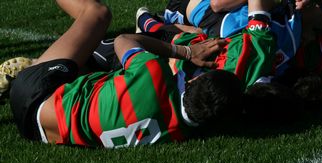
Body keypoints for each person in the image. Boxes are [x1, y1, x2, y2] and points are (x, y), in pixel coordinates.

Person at [9, 0, 243, 148]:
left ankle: (33, 66)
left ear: (197, 79)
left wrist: (186, 51)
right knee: (101, 74)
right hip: (38, 133)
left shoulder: (154, 75)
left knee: (97, 14)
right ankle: (37, 64)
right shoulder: (180, 132)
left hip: (37, 93)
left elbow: (125, 40)